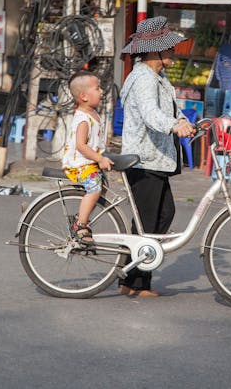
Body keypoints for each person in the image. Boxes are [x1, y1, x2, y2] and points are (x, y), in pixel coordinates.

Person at [118, 16, 196, 297]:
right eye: (169, 47)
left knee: (159, 215)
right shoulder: (142, 78)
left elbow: (170, 111)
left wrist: (186, 121)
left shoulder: (157, 78)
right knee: (149, 221)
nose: (173, 51)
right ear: (154, 50)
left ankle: (129, 277)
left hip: (156, 158)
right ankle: (137, 284)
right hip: (143, 158)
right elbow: (152, 115)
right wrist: (175, 125)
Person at [62, 71, 114, 244]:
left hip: (89, 162)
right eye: (97, 88)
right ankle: (80, 224)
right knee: (95, 189)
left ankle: (80, 216)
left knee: (102, 186)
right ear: (83, 96)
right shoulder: (83, 119)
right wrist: (99, 159)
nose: (101, 92)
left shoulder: (93, 114)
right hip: (79, 164)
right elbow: (81, 145)